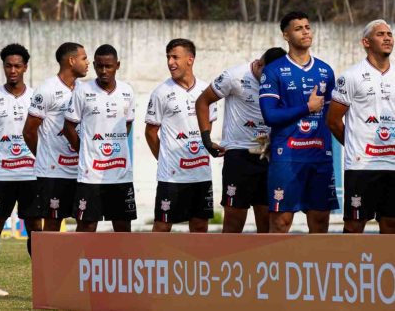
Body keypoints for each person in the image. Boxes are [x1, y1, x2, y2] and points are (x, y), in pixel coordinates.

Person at [259, 11, 338, 233]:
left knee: (320, 220)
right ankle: (277, 268)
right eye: (298, 28)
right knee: (281, 221)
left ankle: (318, 267)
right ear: (286, 35)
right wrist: (307, 108)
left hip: (320, 156)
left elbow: (333, 116)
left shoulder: (325, 71)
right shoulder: (273, 71)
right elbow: (270, 116)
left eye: (307, 27)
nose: (305, 31)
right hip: (287, 157)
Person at [196, 47, 287, 233]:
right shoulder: (234, 76)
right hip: (239, 155)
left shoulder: (283, 79)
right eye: (268, 75)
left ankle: (262, 262)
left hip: (268, 155)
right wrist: (207, 140)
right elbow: (203, 102)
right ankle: (226, 261)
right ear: (259, 64)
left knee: (266, 222)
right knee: (233, 222)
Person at [0, 44, 39, 298]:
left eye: (17, 66)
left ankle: (42, 280)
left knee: (35, 227)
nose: (12, 70)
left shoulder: (36, 97)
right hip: (0, 175)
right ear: (3, 67)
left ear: (25, 67)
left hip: (31, 175)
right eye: (8, 66)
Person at [327, 19, 395, 234]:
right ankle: (348, 267)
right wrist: (354, 145)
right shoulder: (351, 76)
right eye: (380, 34)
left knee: (391, 224)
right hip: (362, 165)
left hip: (392, 165)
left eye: (389, 34)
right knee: (355, 225)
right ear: (366, 42)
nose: (387, 37)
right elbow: (333, 121)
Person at [145, 38, 216, 233]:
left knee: (200, 226)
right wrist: (165, 160)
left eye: (175, 57)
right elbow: (150, 132)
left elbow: (207, 129)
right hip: (172, 177)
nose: (170, 62)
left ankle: (199, 263)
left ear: (190, 60)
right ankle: (154, 264)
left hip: (201, 173)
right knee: (162, 225)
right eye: (168, 57)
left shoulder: (206, 91)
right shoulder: (161, 92)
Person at [64, 44, 137, 232]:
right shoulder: (82, 91)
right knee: (87, 227)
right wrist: (84, 149)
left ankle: (120, 263)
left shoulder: (127, 91)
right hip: (91, 175)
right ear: (94, 65)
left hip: (120, 174)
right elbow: (68, 127)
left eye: (109, 66)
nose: (104, 71)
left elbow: (126, 125)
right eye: (99, 66)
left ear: (117, 65)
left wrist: (114, 144)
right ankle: (79, 262)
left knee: (122, 228)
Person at [23, 42, 88, 231]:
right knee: (52, 223)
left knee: (85, 220)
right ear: (71, 60)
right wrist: (43, 155)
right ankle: (49, 262)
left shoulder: (84, 90)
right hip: (53, 173)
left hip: (81, 170)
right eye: (84, 58)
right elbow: (28, 130)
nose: (88, 63)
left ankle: (76, 261)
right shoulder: (47, 89)